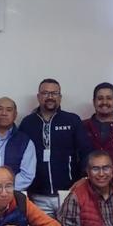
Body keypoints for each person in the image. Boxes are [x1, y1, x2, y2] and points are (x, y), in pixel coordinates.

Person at [19, 79, 92, 217]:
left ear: (60, 97)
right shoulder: (27, 123)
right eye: (45, 93)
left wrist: (85, 177)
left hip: (68, 192)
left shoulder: (72, 120)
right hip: (38, 195)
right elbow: (19, 153)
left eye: (54, 93)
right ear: (38, 97)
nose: (50, 97)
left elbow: (86, 151)